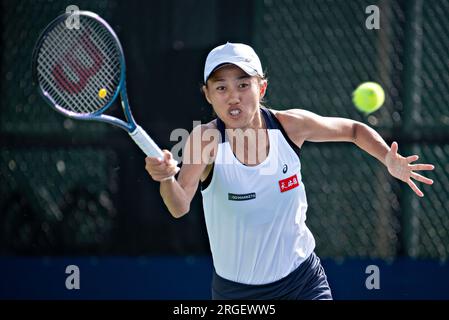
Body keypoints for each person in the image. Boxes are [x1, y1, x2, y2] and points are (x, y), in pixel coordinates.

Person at [144, 42, 435, 300]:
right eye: (221, 88)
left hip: (302, 282)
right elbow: (179, 205)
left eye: (243, 85)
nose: (233, 96)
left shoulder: (290, 126)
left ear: (262, 87)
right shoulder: (205, 141)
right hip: (237, 293)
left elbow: (354, 130)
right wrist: (166, 178)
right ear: (208, 95)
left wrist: (388, 158)